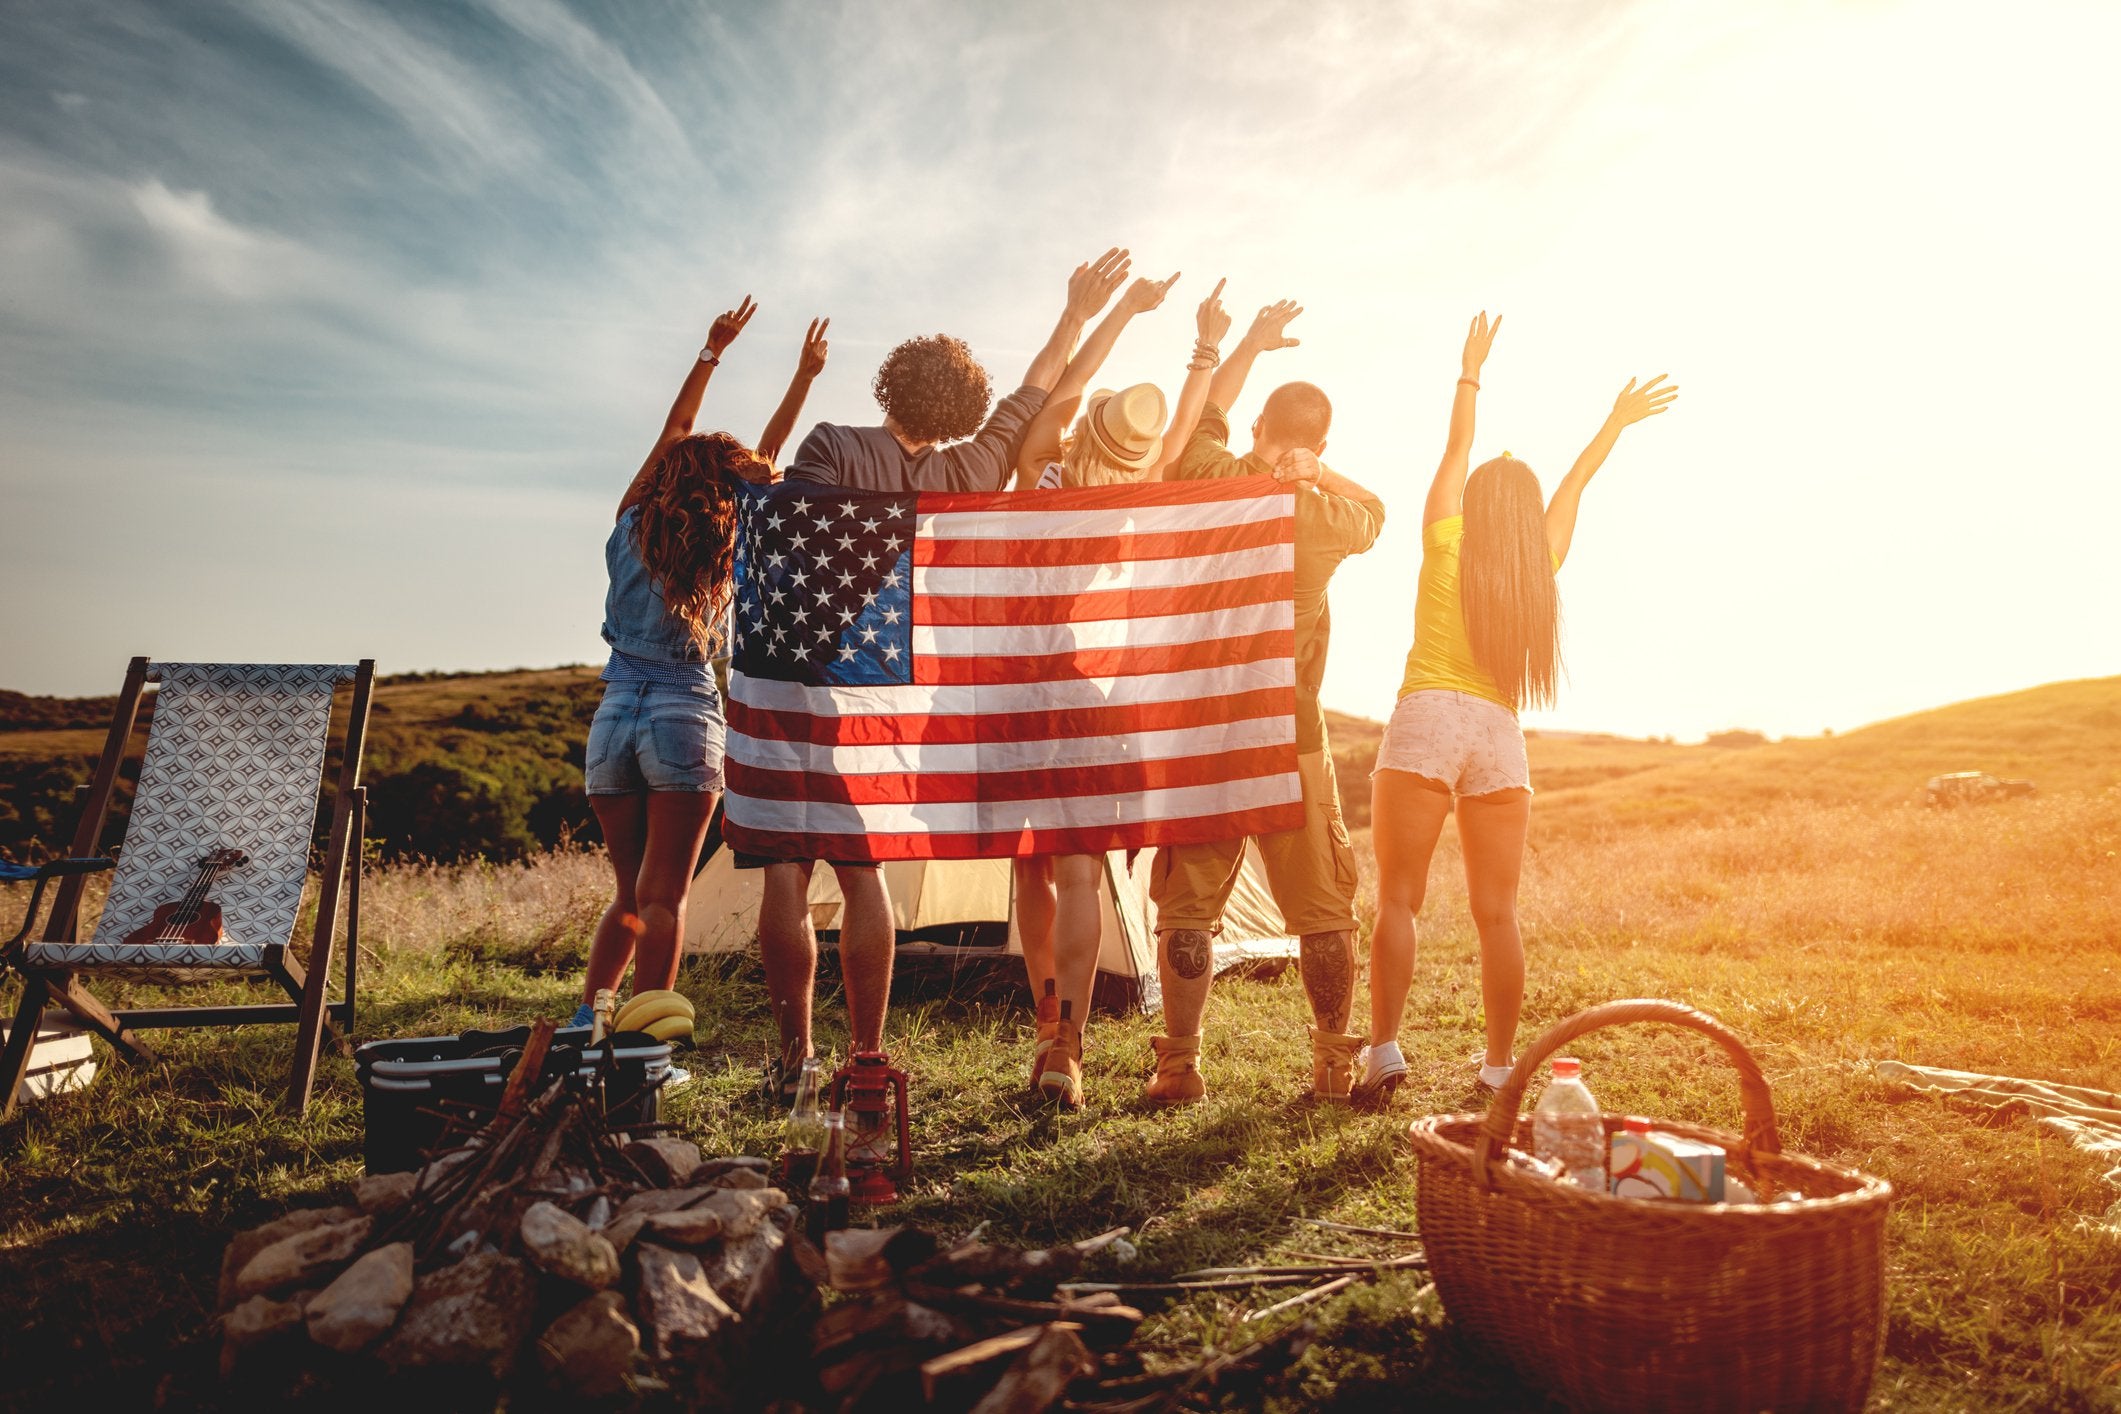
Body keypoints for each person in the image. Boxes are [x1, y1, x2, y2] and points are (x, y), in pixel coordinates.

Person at [749, 249, 1138, 1110]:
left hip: (803, 680)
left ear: (889, 389)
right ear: (962, 408)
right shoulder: (973, 469)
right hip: (893, 691)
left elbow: (785, 532)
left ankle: (793, 1061)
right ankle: (865, 1056)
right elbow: (1042, 386)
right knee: (864, 873)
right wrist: (1080, 313)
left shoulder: (831, 445)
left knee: (785, 867)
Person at [1356, 312, 1677, 1108]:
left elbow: (1456, 450)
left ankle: (1384, 1051)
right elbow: (1577, 480)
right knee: (1496, 912)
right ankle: (1500, 1065)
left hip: (1428, 717)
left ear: (1474, 501)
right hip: (1499, 735)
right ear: (1522, 510)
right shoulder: (1539, 562)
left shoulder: (1443, 537)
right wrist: (1614, 421)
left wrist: (1469, 371)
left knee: (1398, 897)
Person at [1140, 296, 1387, 1107]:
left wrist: (1239, 342)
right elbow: (1377, 516)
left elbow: (1206, 413)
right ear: (1319, 445)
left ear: (1256, 434)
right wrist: (1315, 470)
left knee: (1187, 907)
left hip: (1206, 732)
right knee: (1321, 910)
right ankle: (1329, 1063)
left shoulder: (1211, 476)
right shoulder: (1322, 512)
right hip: (1292, 738)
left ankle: (1178, 1064)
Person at [573, 300, 827, 1031]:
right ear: (724, 495)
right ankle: (643, 1042)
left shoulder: (626, 525)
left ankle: (589, 1022)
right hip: (682, 716)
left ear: (664, 482)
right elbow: (770, 454)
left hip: (613, 719)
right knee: (665, 897)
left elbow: (675, 432)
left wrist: (711, 352)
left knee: (627, 897)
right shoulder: (726, 545)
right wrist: (804, 378)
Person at [1009, 267, 1188, 1107]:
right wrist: (1213, 347)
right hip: (1087, 695)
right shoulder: (1129, 506)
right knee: (1078, 875)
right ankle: (1068, 1051)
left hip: (1014, 689)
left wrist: (1109, 310)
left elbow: (1066, 380)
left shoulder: (1041, 471)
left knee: (1030, 873)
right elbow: (1184, 426)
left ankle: (1048, 1034)